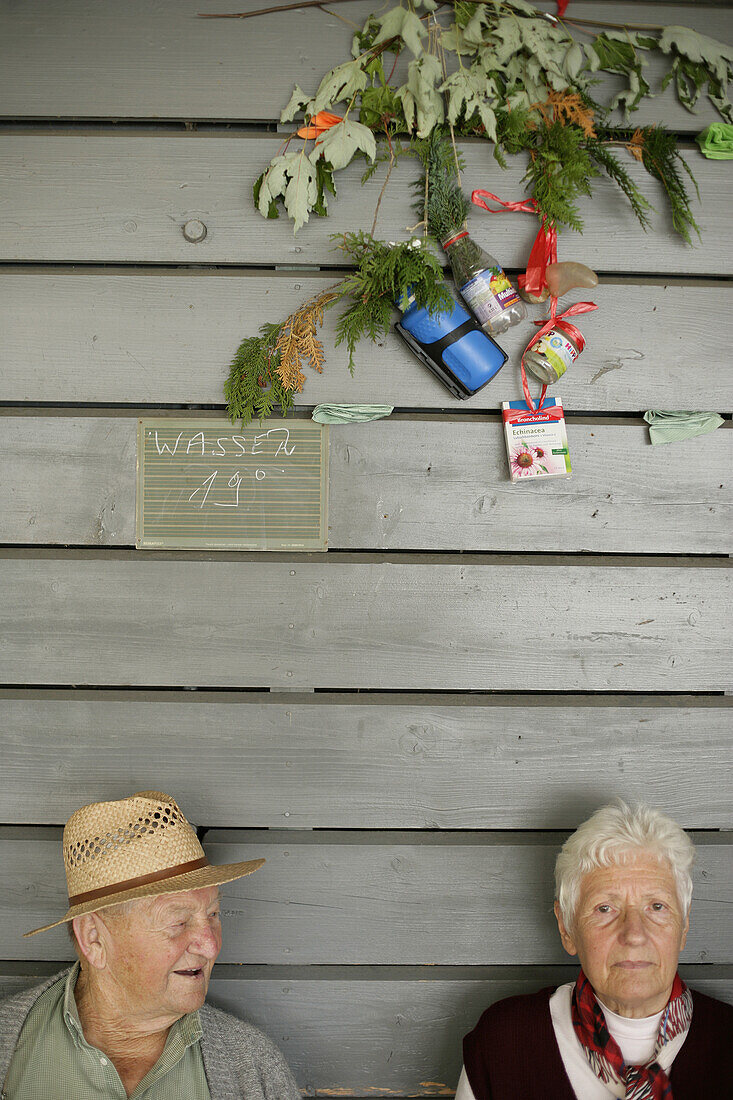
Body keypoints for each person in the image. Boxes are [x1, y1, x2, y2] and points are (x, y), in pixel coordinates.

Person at [0, 790, 300, 1099]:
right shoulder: (7, 1047)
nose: (210, 946)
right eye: (178, 923)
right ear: (93, 939)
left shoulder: (251, 1066)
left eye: (213, 914)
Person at [456, 800, 732, 1099]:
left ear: (684, 926)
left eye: (656, 906)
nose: (634, 934)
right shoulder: (506, 1043)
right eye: (605, 908)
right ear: (567, 928)